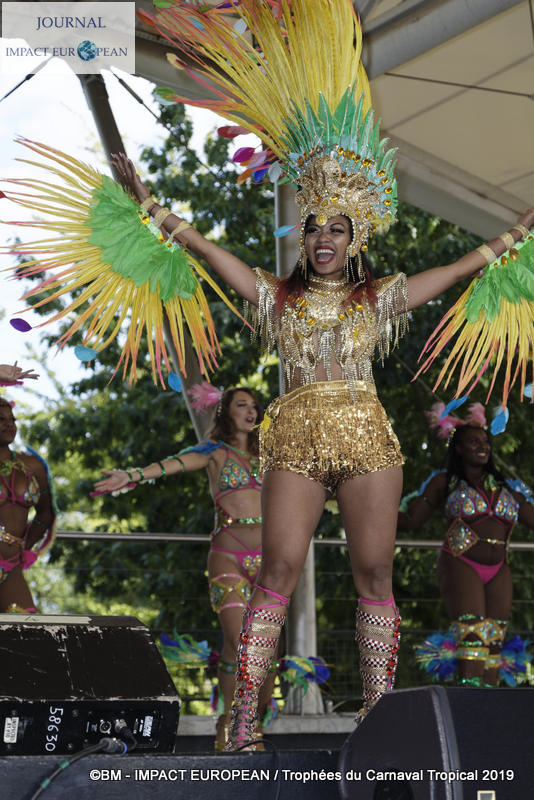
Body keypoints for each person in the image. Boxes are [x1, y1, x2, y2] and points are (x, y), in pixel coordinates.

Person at [93, 386, 276, 750]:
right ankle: (234, 722)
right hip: (229, 553)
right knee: (239, 640)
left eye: (255, 406)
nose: (251, 412)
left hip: (273, 558)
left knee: (266, 648)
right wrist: (131, 475)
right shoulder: (214, 452)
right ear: (225, 412)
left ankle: (252, 718)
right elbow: (172, 464)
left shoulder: (274, 456)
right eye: (242, 405)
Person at [398, 423, 534, 686]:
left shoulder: (506, 487)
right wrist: (366, 510)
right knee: (472, 636)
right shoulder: (444, 481)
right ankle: (468, 707)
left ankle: (490, 709)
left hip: (499, 569)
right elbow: (411, 520)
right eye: (473, 442)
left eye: (485, 441)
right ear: (458, 449)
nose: (482, 446)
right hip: (461, 562)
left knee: (495, 639)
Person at [0, 397, 55, 613]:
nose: (9, 424)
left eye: (12, 419)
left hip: (12, 565)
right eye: (1, 419)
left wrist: (25, 546)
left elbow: (45, 514)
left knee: (29, 630)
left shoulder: (33, 465)